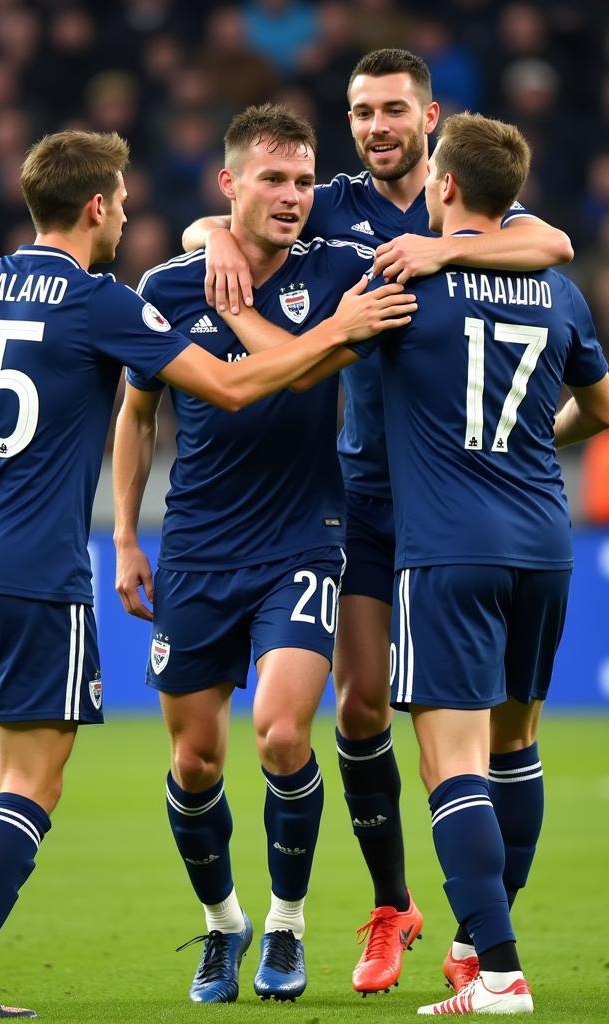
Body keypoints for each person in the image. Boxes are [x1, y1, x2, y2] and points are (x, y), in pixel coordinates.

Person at [0, 128, 407, 1021]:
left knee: (7, 750)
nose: (126, 214)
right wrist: (124, 536)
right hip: (55, 568)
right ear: (95, 207)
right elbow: (213, 393)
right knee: (51, 779)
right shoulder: (113, 300)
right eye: (118, 201)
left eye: (305, 179)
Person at [184, 47, 574, 996]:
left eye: (393, 109)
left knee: (499, 732)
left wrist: (445, 248)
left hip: (463, 505)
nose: (375, 127)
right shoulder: (333, 204)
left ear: (429, 119)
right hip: (362, 496)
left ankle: (487, 940)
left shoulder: (475, 205)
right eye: (361, 112)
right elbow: (222, 214)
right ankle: (395, 907)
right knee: (360, 706)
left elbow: (553, 244)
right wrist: (218, 240)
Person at [112, 103, 416, 1006]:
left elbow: (306, 365)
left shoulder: (341, 273)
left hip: (304, 538)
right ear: (229, 184)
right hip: (198, 545)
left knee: (284, 731)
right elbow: (136, 414)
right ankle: (223, 928)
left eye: (303, 181)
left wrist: (261, 309)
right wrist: (126, 534)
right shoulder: (167, 287)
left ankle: (286, 924)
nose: (291, 197)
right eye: (272, 180)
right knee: (194, 761)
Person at [356, 112, 609, 1014]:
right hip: (544, 541)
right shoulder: (561, 292)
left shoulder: (404, 279)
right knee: (516, 748)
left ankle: (501, 973)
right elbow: (603, 410)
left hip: (448, 550)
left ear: (447, 187)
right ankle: (473, 947)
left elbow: (315, 367)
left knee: (450, 764)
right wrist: (529, 441)